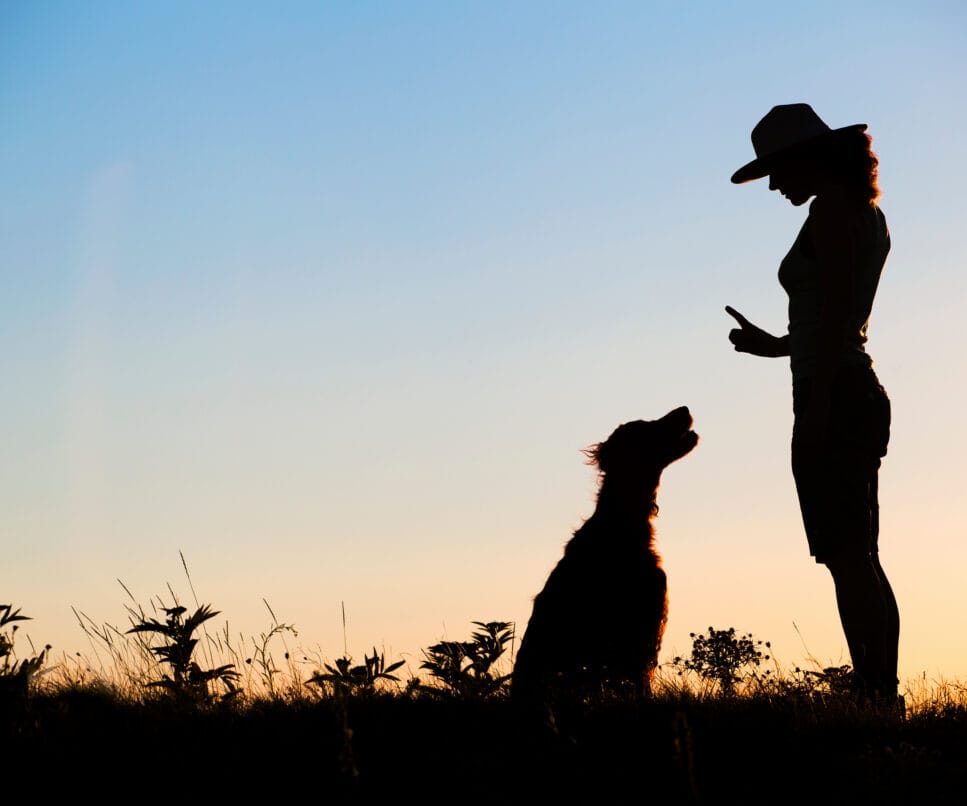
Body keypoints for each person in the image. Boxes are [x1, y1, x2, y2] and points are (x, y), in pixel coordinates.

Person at [725, 104, 899, 704]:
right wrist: (775, 346)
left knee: (849, 556)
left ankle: (875, 696)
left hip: (836, 396)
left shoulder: (829, 212)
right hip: (851, 389)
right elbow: (837, 317)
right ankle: (880, 692)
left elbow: (833, 328)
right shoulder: (864, 212)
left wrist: (815, 415)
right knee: (860, 555)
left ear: (807, 159)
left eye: (778, 170)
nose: (775, 184)